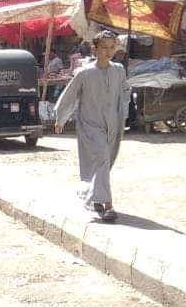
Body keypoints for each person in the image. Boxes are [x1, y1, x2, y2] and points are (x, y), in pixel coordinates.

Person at [54, 31, 131, 223]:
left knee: (104, 162)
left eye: (112, 47)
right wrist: (60, 119)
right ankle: (108, 205)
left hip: (112, 124)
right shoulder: (84, 73)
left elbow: (125, 90)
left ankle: (94, 196)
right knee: (102, 159)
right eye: (104, 47)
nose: (109, 51)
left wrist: (123, 111)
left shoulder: (119, 70)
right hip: (90, 126)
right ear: (94, 49)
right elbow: (69, 96)